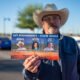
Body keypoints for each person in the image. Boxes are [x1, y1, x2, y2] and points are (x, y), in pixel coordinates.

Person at [23, 3, 80, 80]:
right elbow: (28, 77)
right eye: (47, 18)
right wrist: (29, 71)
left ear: (60, 21)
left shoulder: (71, 42)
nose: (52, 21)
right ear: (42, 23)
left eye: (55, 17)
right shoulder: (34, 43)